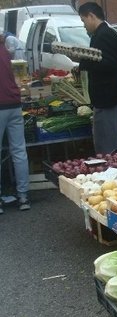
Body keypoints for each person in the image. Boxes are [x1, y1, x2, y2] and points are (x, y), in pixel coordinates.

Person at [78, 2, 117, 154]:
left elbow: (109, 64)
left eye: (83, 20)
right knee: (107, 144)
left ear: (91, 16)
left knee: (109, 146)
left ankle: (112, 173)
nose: (84, 25)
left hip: (109, 100)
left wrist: (85, 63)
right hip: (106, 99)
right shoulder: (101, 34)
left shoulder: (104, 35)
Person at [0, 34, 30, 213]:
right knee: (19, 150)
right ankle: (23, 196)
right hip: (14, 103)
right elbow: (21, 74)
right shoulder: (7, 47)